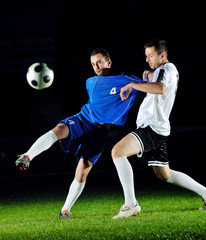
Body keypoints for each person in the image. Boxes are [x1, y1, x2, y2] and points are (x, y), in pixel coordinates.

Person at [16, 47, 148, 219]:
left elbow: (147, 84)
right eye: (93, 64)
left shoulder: (127, 80)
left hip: (100, 132)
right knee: (59, 130)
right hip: (83, 120)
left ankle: (65, 211)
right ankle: (27, 156)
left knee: (83, 169)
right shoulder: (91, 82)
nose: (96, 67)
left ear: (109, 62)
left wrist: (146, 76)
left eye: (99, 62)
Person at [112, 39, 206, 219]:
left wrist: (132, 85)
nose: (147, 59)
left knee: (117, 152)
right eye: (146, 55)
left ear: (162, 56)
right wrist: (147, 75)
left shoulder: (164, 70)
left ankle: (130, 205)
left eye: (151, 55)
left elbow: (160, 88)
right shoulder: (170, 70)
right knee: (165, 174)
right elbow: (151, 77)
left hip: (152, 128)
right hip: (160, 128)